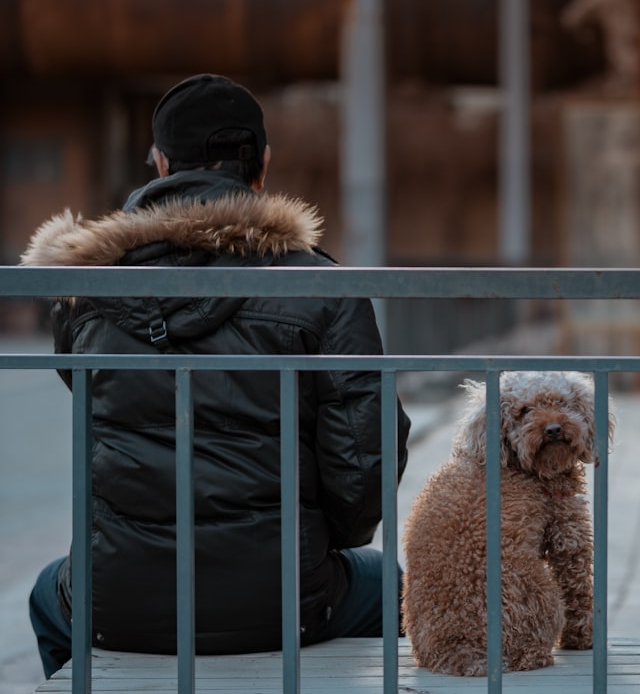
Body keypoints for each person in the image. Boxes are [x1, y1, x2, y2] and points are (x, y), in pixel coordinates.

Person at [21, 73, 411, 678]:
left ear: (159, 164)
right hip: (286, 600)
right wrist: (319, 539)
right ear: (263, 166)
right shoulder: (320, 288)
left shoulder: (84, 291)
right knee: (391, 581)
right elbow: (364, 469)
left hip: (120, 604)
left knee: (48, 596)